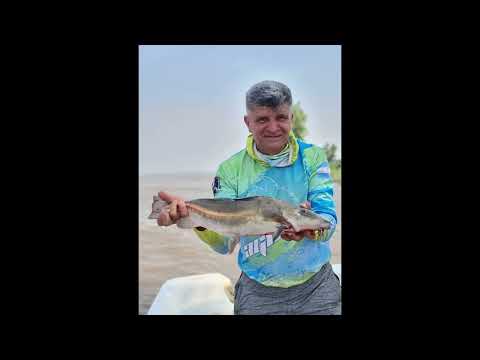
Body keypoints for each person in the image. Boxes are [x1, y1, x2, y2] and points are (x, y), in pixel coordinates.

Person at [156, 80, 341, 315]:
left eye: (281, 117)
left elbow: (327, 219)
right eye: (263, 119)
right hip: (257, 294)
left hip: (317, 289)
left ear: (291, 118)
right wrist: (194, 219)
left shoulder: (313, 157)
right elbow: (224, 244)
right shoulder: (230, 170)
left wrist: (311, 230)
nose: (273, 127)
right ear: (248, 122)